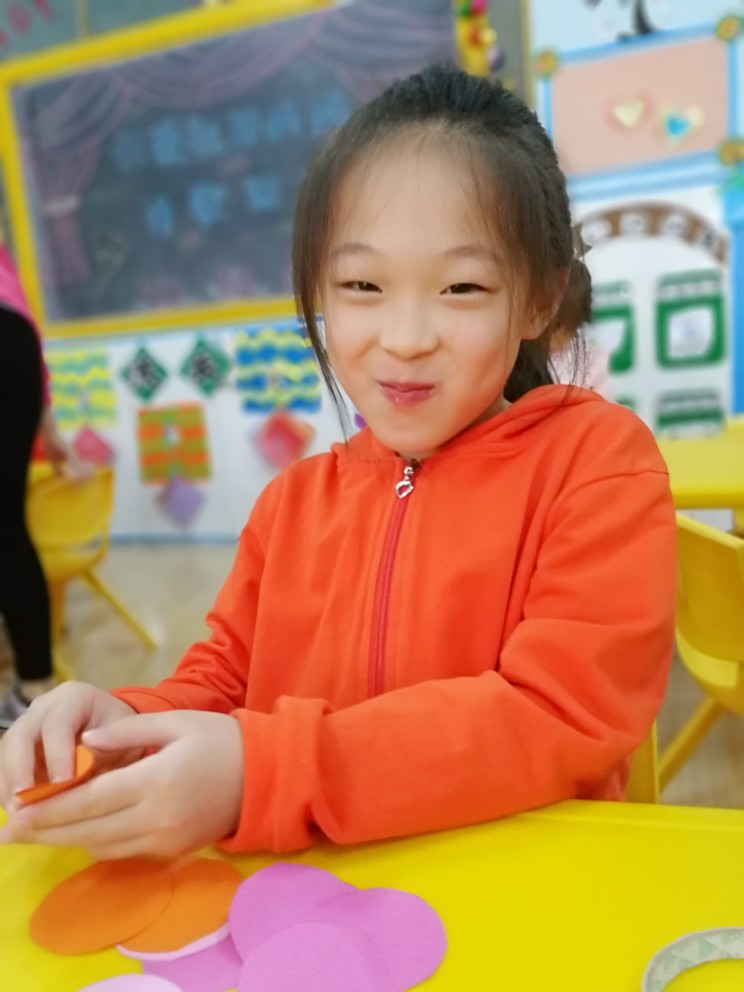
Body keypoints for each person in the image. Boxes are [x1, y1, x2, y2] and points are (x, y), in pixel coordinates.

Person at [0, 65, 676, 860]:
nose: (405, 338)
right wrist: (125, 725)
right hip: (322, 901)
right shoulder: (292, 502)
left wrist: (264, 772)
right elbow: (221, 681)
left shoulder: (596, 464)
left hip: (523, 882)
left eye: (462, 287)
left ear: (538, 299)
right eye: (362, 284)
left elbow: (561, 712)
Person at [0, 244, 80, 730]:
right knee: (9, 529)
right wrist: (47, 422)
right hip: (16, 343)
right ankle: (34, 685)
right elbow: (21, 313)